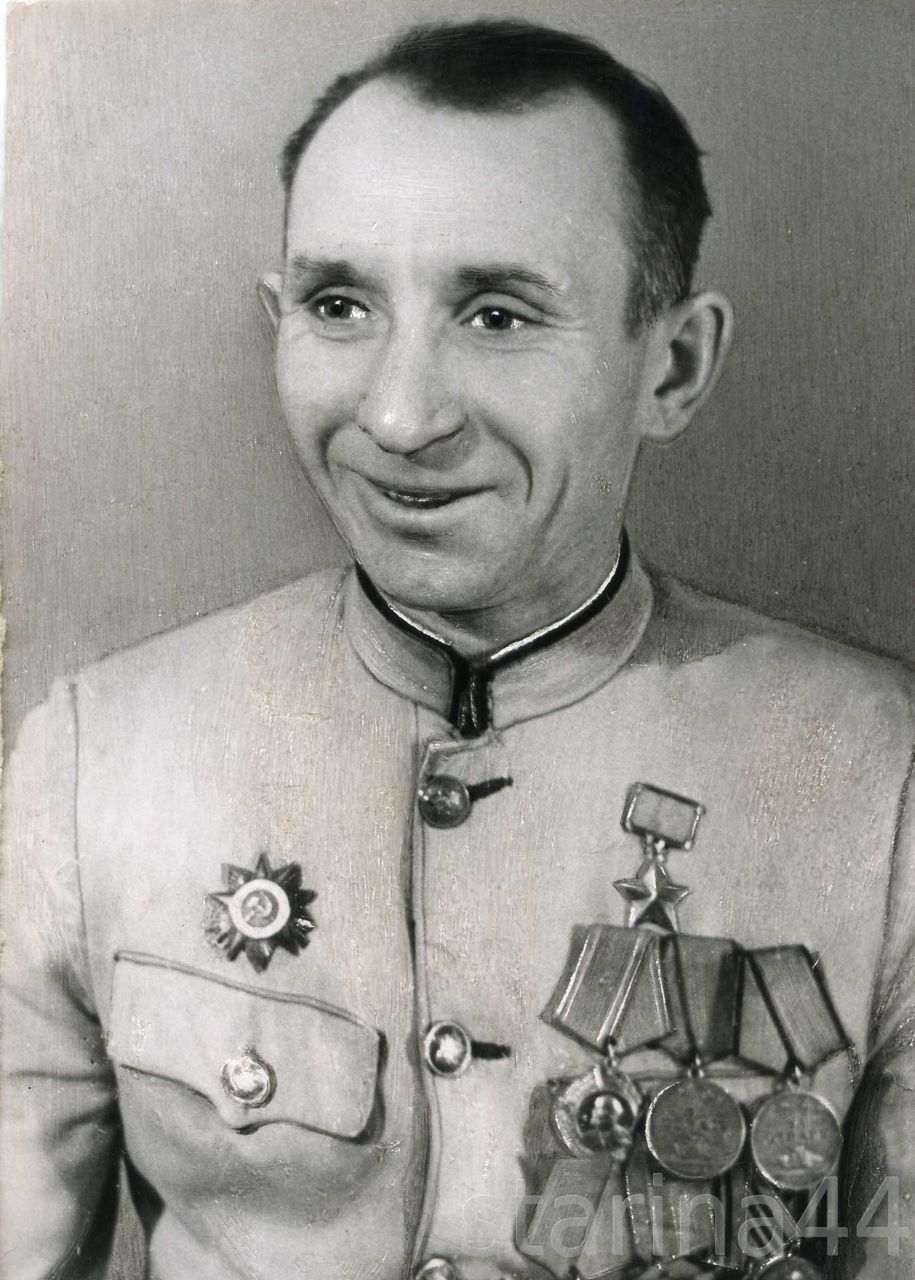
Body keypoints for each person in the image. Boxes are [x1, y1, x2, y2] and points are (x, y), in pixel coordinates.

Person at [1, 18, 912, 1280]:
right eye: (338, 305)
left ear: (675, 365)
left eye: (497, 313)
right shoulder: (97, 754)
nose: (398, 413)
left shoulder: (882, 779)